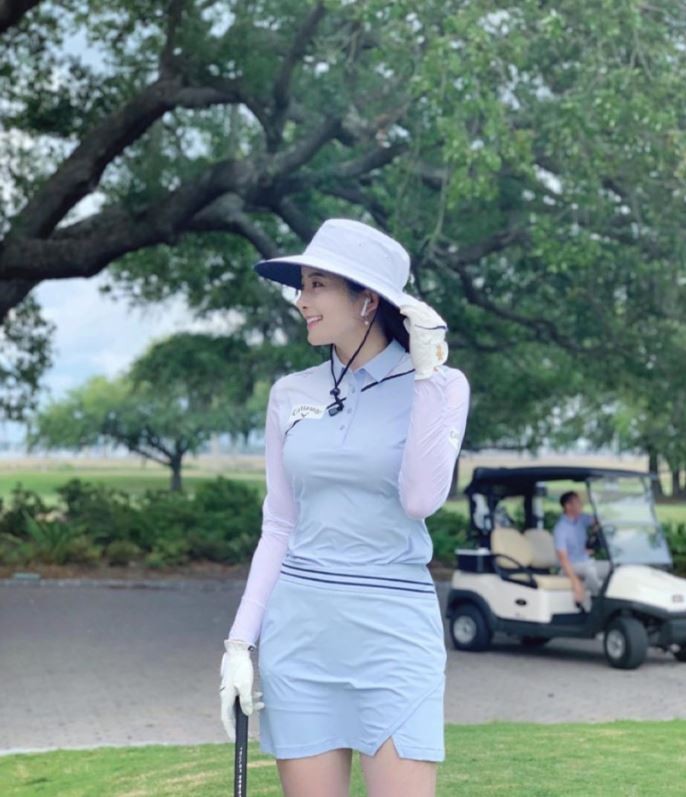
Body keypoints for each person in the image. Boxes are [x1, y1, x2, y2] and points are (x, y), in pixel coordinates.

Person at [218, 218, 470, 797]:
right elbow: (279, 524)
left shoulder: (442, 386)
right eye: (301, 286)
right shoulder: (290, 393)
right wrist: (239, 643)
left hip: (394, 639)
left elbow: (420, 499)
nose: (300, 300)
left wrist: (427, 375)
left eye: (316, 285)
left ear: (366, 301)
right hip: (300, 638)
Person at [553, 490, 610, 609]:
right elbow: (563, 559)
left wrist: (597, 528)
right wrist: (575, 582)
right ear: (568, 506)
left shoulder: (581, 519)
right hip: (570, 565)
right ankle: (600, 605)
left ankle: (612, 598)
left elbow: (599, 520)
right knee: (591, 571)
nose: (581, 505)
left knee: (614, 568)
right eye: (578, 503)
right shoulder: (561, 529)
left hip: (586, 561)